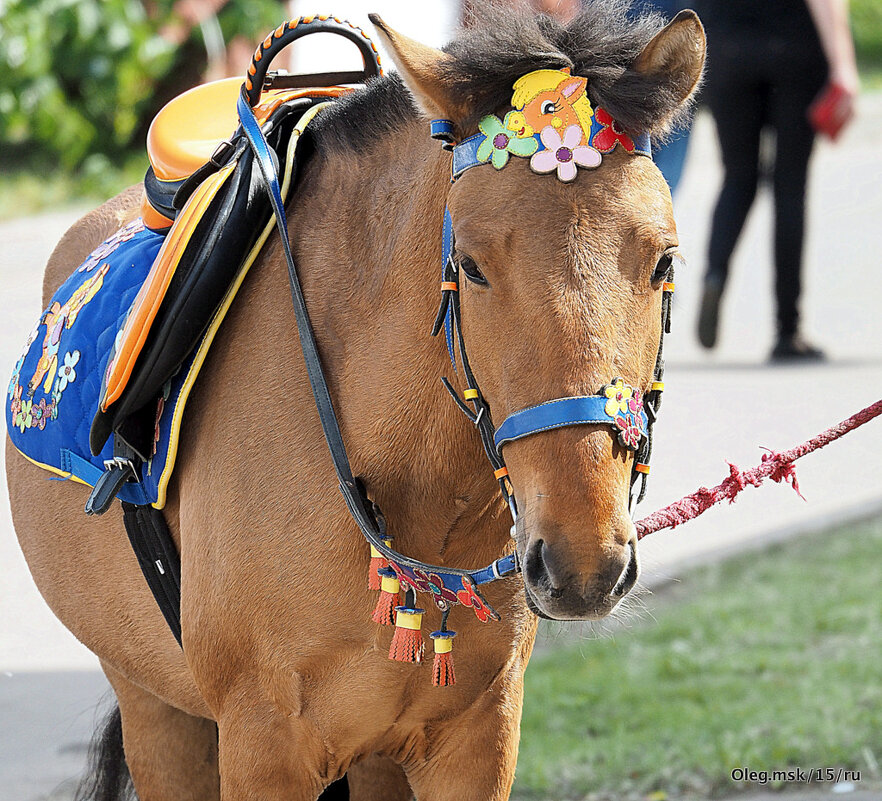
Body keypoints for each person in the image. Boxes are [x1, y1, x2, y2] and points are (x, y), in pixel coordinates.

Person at [692, 0, 858, 361]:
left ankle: (714, 275)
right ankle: (788, 330)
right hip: (794, 47)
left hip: (725, 48)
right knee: (790, 186)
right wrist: (843, 65)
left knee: (737, 176)